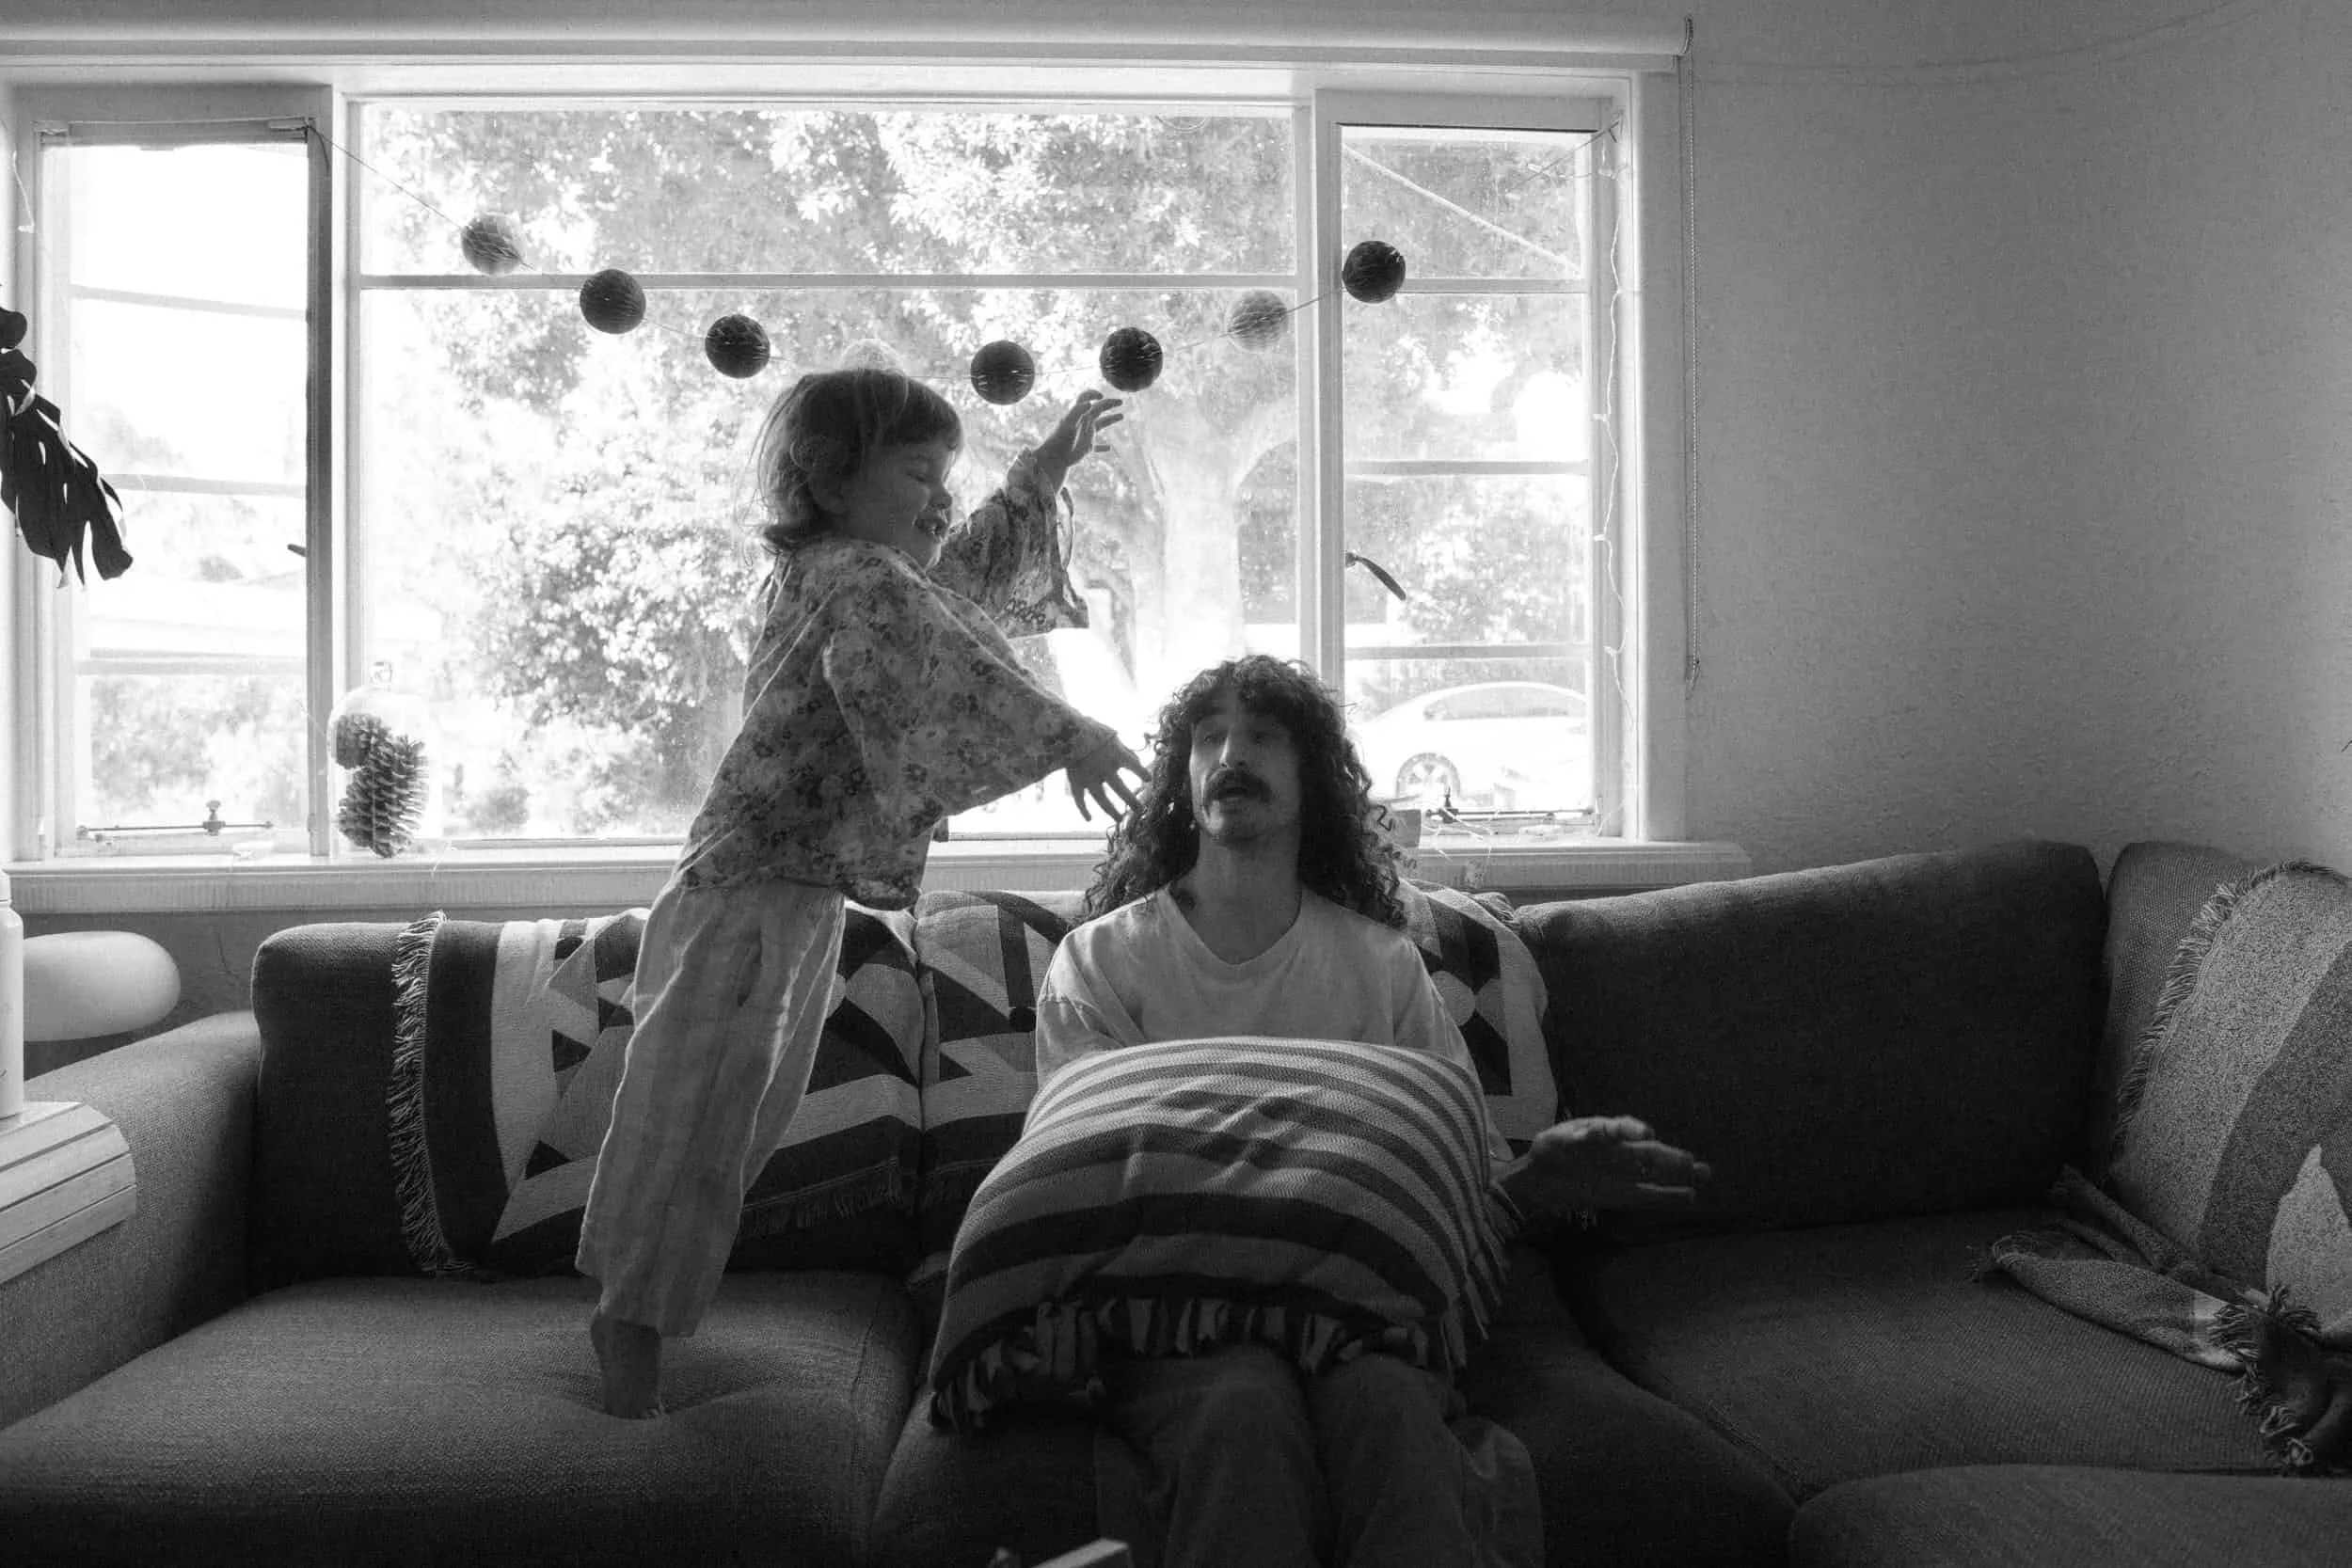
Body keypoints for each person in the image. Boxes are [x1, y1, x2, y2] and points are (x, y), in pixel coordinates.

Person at [1033, 653, 1708, 1568]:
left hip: (1359, 1314)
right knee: (1240, 1409)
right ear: (1179, 777)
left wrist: (1538, 1182)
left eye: (1263, 733)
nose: (1232, 752)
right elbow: (1082, 1193)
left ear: (1311, 774)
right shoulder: (1098, 961)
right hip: (1179, 1322)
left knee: (1389, 1413)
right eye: (1209, 736)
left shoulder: (1380, 964)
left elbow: (1444, 1185)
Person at [579, 367, 1146, 1418]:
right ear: (830, 479)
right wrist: (1073, 732)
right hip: (745, 899)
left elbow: (952, 587)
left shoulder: (863, 571)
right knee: (695, 1124)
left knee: (720, 1126)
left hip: (778, 897)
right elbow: (940, 649)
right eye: (918, 471)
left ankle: (631, 1315)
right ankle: (626, 1337)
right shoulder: (857, 581)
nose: (941, 494)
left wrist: (1039, 472)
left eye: (950, 474)